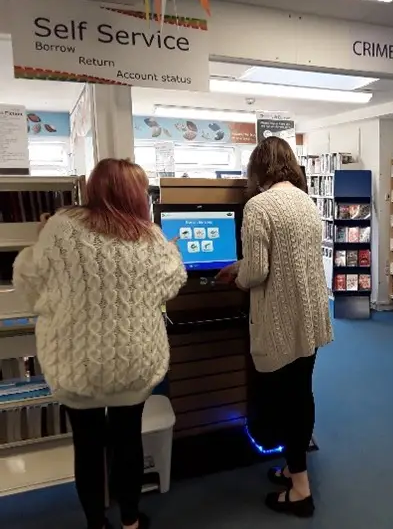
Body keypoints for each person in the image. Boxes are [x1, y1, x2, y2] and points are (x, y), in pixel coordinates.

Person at [13, 159, 187, 529]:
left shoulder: (61, 229)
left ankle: (96, 523)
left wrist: (41, 240)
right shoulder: (149, 236)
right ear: (134, 193)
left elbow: (29, 283)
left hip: (76, 364)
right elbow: (171, 282)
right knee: (128, 440)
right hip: (133, 361)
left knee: (88, 447)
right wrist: (169, 252)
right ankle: (130, 520)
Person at [216, 136, 333, 518]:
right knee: (302, 394)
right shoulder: (306, 202)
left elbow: (258, 272)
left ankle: (300, 491)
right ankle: (292, 468)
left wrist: (237, 275)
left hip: (280, 321)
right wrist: (245, 264)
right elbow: (290, 260)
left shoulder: (258, 206)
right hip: (309, 317)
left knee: (286, 404)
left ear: (258, 167)